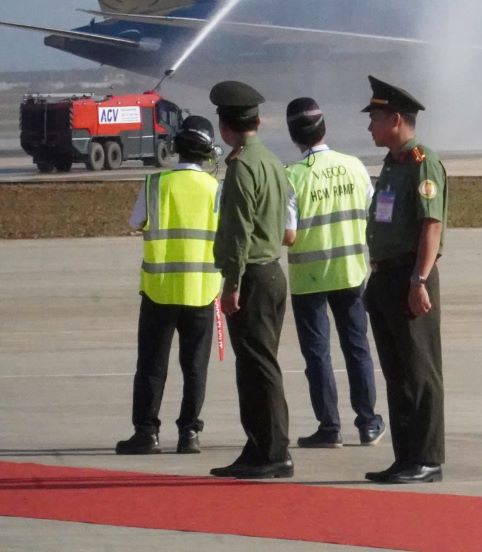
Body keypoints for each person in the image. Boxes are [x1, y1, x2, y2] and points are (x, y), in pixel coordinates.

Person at [284, 95, 386, 449]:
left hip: (309, 278)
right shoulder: (355, 166)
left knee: (317, 355)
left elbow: (288, 233)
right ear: (325, 127)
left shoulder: (292, 177)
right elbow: (373, 215)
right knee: (357, 348)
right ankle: (368, 422)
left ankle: (329, 426)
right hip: (351, 273)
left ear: (293, 135)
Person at [115, 115, 221, 457]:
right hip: (202, 291)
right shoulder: (216, 189)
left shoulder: (156, 184)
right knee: (194, 368)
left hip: (159, 290)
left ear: (176, 147)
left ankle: (146, 432)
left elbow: (135, 222)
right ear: (207, 152)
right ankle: (189, 433)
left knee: (151, 366)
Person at [361, 75, 447, 484]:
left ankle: (427, 459)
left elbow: (431, 225)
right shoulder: (391, 164)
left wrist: (420, 280)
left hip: (411, 276)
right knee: (397, 373)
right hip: (385, 277)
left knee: (420, 371)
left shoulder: (421, 162)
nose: (370, 127)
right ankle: (406, 456)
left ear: (395, 119)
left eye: (375, 118)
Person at [208, 79, 297, 480]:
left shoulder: (243, 166)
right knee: (261, 366)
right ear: (257, 121)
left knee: (258, 369)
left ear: (225, 127)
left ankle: (272, 452)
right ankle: (261, 445)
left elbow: (240, 230)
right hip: (272, 272)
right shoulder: (272, 161)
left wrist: (232, 283)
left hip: (253, 278)